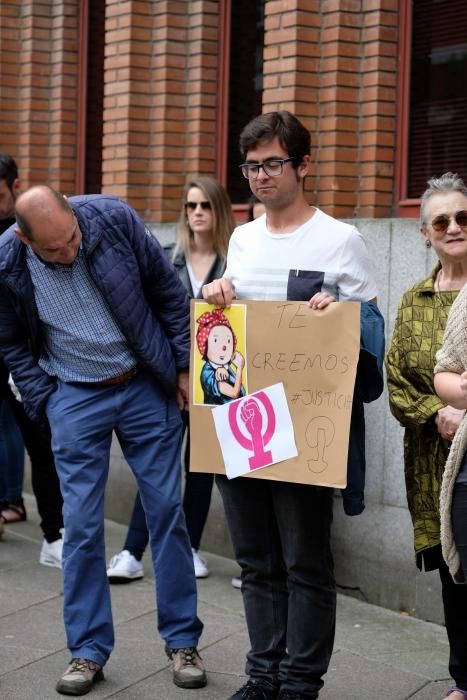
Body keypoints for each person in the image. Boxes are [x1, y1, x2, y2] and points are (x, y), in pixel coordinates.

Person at [0, 185, 206, 695]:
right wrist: (45, 399)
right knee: (82, 528)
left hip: (141, 383)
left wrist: (182, 368)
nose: (67, 252)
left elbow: (169, 296)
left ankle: (182, 642)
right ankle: (87, 651)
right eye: (53, 249)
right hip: (71, 392)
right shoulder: (6, 259)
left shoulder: (112, 218)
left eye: (71, 238)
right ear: (26, 242)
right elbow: (7, 339)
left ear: (73, 215)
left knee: (166, 514)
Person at [202, 110, 378, 700]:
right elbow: (230, 325)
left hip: (305, 424)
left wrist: (344, 317)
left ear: (304, 165)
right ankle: (263, 674)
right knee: (255, 560)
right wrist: (216, 292)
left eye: (272, 163)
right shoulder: (243, 238)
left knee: (305, 561)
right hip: (242, 418)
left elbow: (371, 331)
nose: (259, 176)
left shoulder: (339, 239)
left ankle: (301, 684)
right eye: (250, 166)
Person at [107, 176, 236, 583]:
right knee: (157, 466)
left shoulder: (234, 263)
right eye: (190, 206)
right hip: (168, 377)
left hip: (214, 381)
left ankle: (191, 548)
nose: (197, 213)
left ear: (219, 212)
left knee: (200, 467)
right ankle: (131, 550)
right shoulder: (165, 257)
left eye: (205, 206)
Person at [386, 172, 467, 700]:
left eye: (463, 217)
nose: (455, 227)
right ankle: (464, 678)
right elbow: (396, 380)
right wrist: (438, 410)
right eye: (442, 220)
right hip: (432, 463)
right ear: (425, 233)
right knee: (454, 579)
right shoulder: (414, 301)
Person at [0, 153, 64, 566]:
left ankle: (54, 535)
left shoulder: (27, 229)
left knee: (42, 443)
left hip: (24, 353)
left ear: (14, 186)